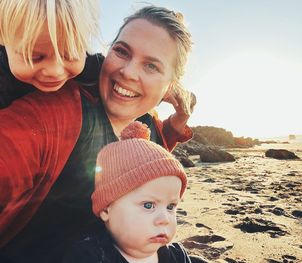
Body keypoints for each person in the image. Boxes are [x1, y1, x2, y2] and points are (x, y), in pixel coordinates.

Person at [0, 5, 195, 263]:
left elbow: (148, 162)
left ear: (169, 87)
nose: (128, 72)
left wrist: (181, 119)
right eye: (122, 51)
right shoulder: (56, 114)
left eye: (151, 66)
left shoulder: (147, 127)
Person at [63, 122, 207, 263]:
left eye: (171, 207)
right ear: (106, 209)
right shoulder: (89, 256)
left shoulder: (176, 256)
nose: (165, 219)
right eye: (148, 205)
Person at [0, 0, 102, 109]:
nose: (55, 72)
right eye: (34, 57)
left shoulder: (96, 69)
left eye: (71, 55)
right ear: (2, 39)